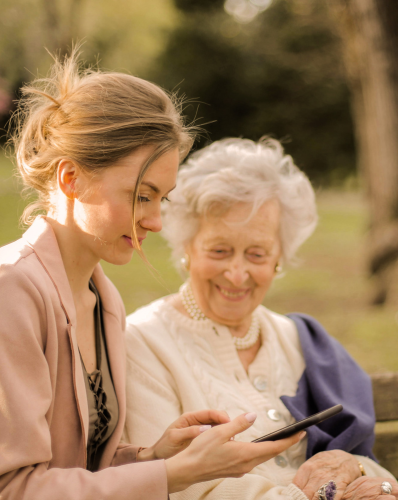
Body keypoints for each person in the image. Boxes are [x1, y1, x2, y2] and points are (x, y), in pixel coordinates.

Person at [0, 55, 303, 500]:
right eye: (142, 196)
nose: (157, 222)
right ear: (70, 178)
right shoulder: (12, 293)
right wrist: (172, 477)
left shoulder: (103, 298)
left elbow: (81, 464)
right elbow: (14, 488)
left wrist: (155, 456)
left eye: (163, 198)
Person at [124, 138, 397, 500]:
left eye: (256, 254)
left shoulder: (300, 339)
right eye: (219, 250)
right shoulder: (142, 343)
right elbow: (180, 489)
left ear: (278, 259)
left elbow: (371, 469)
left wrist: (355, 469)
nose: (237, 274)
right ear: (188, 248)